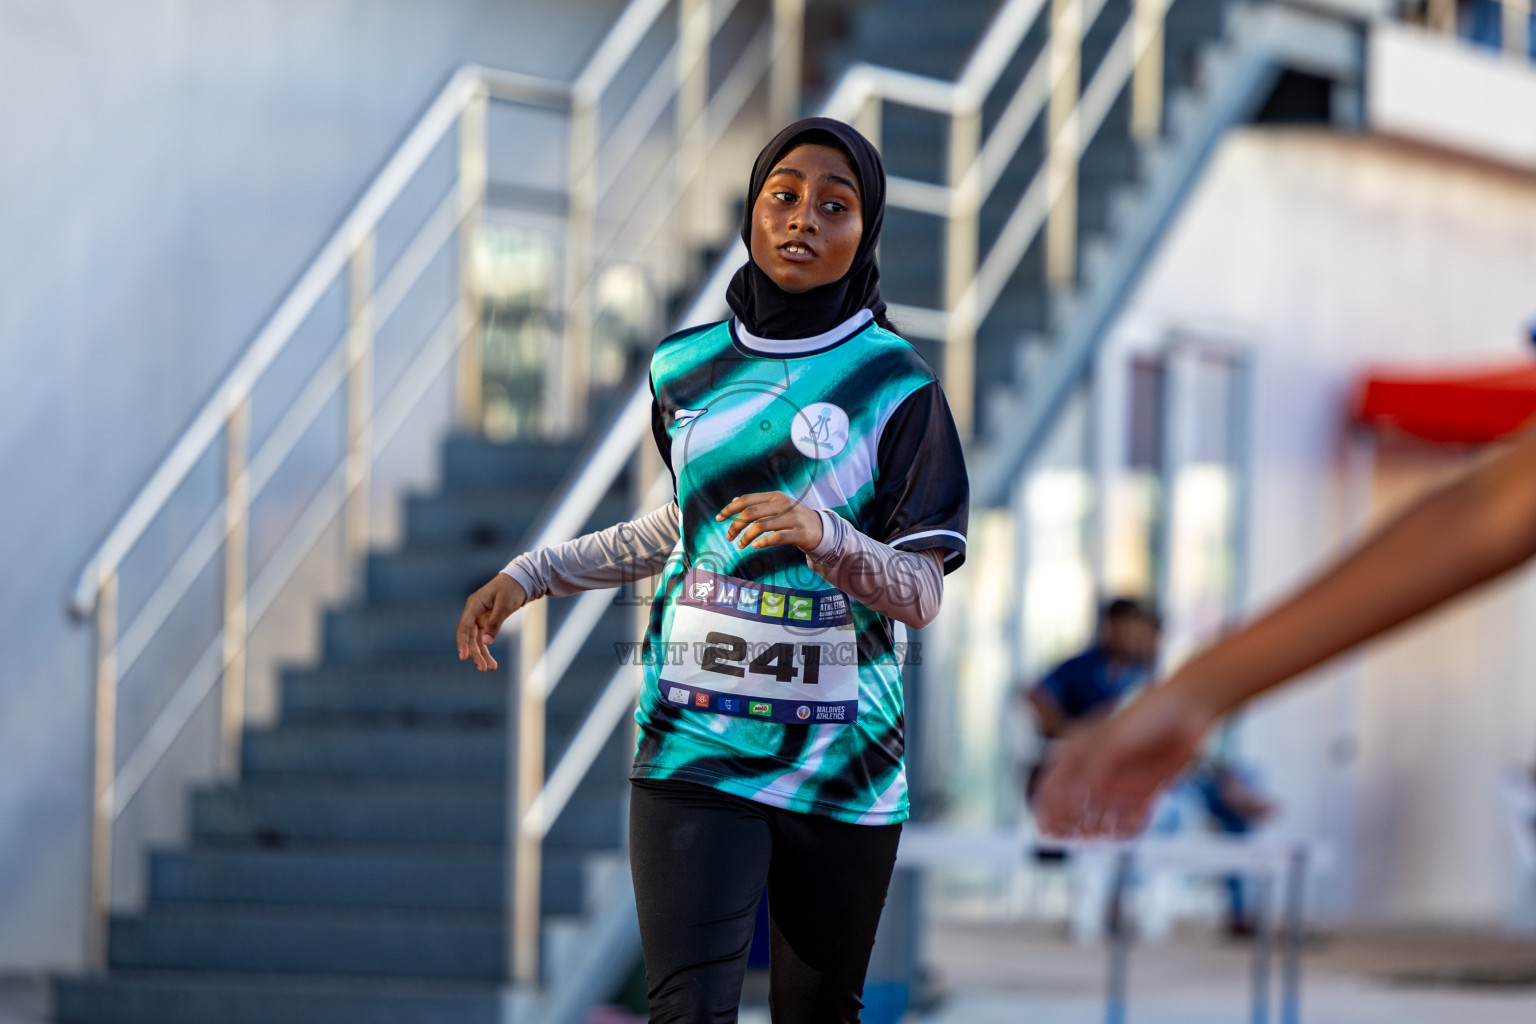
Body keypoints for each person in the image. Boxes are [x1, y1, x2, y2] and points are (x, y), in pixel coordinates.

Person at [456, 117, 969, 1023]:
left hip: (841, 764)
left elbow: (922, 594)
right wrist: (533, 573)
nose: (803, 218)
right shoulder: (684, 368)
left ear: (867, 233)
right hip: (694, 743)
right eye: (783, 195)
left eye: (835, 204)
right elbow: (689, 527)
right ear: (751, 212)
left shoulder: (899, 388)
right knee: (687, 1012)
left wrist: (825, 534)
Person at [1036, 422, 1536, 839]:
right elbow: (1495, 508)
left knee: (1222, 791)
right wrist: (1196, 691)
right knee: (1218, 795)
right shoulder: (1088, 666)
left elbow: (1497, 507)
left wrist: (1196, 691)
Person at [1021, 598, 1159, 802]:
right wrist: (1066, 730)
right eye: (1121, 625)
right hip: (1078, 764)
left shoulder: (1143, 673)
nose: (1128, 633)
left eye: (1133, 626)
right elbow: (1037, 694)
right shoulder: (1083, 666)